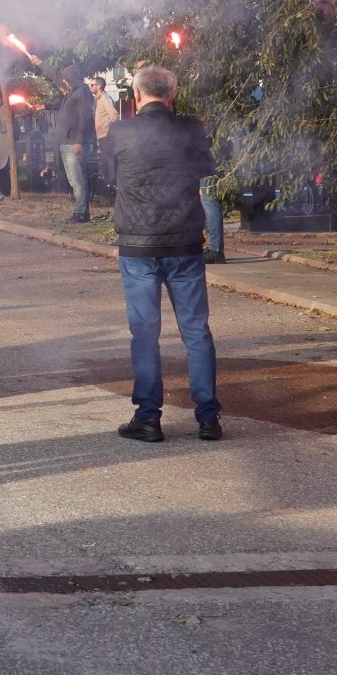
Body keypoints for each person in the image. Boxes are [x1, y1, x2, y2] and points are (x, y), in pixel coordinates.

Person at [110, 64, 221, 443]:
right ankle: (208, 418)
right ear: (172, 95)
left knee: (144, 332)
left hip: (138, 245)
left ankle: (148, 417)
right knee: (196, 330)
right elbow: (207, 170)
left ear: (137, 96)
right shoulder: (192, 128)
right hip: (184, 241)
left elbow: (111, 174)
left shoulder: (120, 130)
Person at [56, 74, 98, 223]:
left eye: (66, 79)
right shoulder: (72, 92)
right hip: (66, 142)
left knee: (78, 181)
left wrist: (79, 141)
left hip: (74, 143)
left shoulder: (82, 93)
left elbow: (85, 119)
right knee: (75, 181)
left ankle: (81, 214)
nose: (64, 82)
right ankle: (80, 212)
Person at [88, 75, 121, 197]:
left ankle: (112, 187)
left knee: (108, 161)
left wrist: (108, 129)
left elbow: (114, 116)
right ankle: (110, 186)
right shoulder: (98, 99)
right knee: (105, 162)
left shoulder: (105, 99)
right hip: (102, 136)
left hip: (107, 136)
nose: (90, 87)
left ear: (99, 86)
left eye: (92, 85)